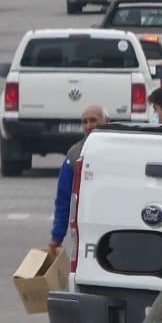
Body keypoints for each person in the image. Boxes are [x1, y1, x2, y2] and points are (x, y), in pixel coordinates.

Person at [49, 106, 109, 250]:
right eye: (85, 122)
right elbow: (63, 200)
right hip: (87, 227)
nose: (89, 126)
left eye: (93, 120)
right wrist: (57, 237)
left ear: (107, 121)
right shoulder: (74, 155)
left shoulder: (121, 151)